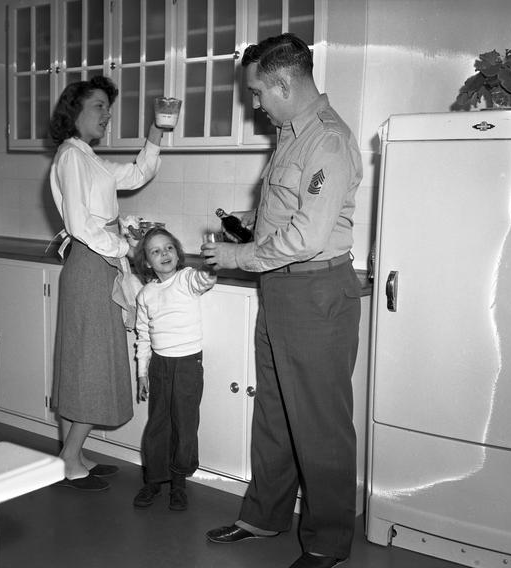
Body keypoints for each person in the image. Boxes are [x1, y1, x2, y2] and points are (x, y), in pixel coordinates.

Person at [200, 33, 364, 568]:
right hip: (283, 289)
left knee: (319, 423)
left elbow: (311, 236)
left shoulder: (327, 141)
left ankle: (326, 541)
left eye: (258, 93)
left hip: (316, 291)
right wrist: (249, 225)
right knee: (275, 414)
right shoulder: (290, 134)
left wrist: (239, 256)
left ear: (284, 83)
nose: (255, 103)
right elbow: (290, 212)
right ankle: (264, 516)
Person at [49, 76, 170, 491]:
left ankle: (73, 454)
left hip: (97, 264)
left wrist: (158, 129)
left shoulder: (89, 159)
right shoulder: (70, 157)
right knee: (92, 361)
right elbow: (80, 224)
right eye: (99, 106)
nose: (107, 114)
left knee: (83, 358)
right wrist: (124, 245)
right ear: (74, 111)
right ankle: (68, 457)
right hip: (91, 264)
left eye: (108, 107)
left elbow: (137, 173)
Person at [131, 228, 217, 511]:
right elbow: (142, 336)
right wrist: (142, 372)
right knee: (158, 424)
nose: (164, 254)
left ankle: (179, 483)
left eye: (169, 248)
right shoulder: (146, 294)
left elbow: (204, 280)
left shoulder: (186, 279)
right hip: (159, 365)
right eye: (155, 251)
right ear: (146, 262)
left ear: (178, 253)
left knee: (185, 424)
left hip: (188, 364)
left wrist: (211, 264)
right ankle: (153, 480)